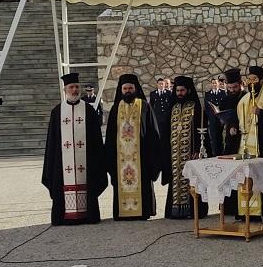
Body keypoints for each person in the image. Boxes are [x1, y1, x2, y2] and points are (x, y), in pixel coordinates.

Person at [42, 73, 107, 226]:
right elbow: (52, 141)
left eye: (77, 87)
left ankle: (88, 215)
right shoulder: (57, 112)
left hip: (87, 160)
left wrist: (99, 160)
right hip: (62, 162)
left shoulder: (89, 110)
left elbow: (96, 139)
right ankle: (64, 216)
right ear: (65, 90)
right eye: (71, 87)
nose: (75, 90)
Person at [104, 74, 161, 220]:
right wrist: (109, 158)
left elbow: (153, 133)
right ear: (121, 90)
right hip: (120, 158)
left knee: (142, 182)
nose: (128, 91)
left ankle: (143, 212)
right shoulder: (116, 109)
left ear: (135, 89)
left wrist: (153, 156)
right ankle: (123, 213)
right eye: (125, 88)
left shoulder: (145, 106)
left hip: (141, 158)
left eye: (130, 88)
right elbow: (110, 136)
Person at [228, 66, 263, 219]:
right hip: (244, 146)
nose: (251, 82)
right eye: (249, 79)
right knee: (244, 178)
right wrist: (233, 127)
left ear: (262, 81)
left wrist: (261, 114)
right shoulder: (244, 100)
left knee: (261, 178)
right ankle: (245, 212)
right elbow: (238, 120)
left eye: (254, 79)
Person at [159, 75, 209, 219]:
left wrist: (198, 149)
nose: (179, 93)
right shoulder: (172, 108)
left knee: (192, 180)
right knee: (176, 179)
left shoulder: (196, 107)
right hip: (175, 154)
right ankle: (175, 210)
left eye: (182, 91)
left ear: (188, 91)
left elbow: (202, 130)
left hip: (191, 153)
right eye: (177, 91)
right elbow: (165, 131)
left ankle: (194, 211)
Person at [204, 77, 227, 157]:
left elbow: (225, 105)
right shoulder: (208, 94)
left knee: (220, 136)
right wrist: (210, 118)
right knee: (214, 137)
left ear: (218, 84)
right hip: (212, 119)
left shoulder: (223, 92)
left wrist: (223, 118)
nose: (214, 85)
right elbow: (207, 108)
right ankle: (215, 154)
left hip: (221, 119)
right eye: (213, 83)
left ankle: (221, 153)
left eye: (216, 83)